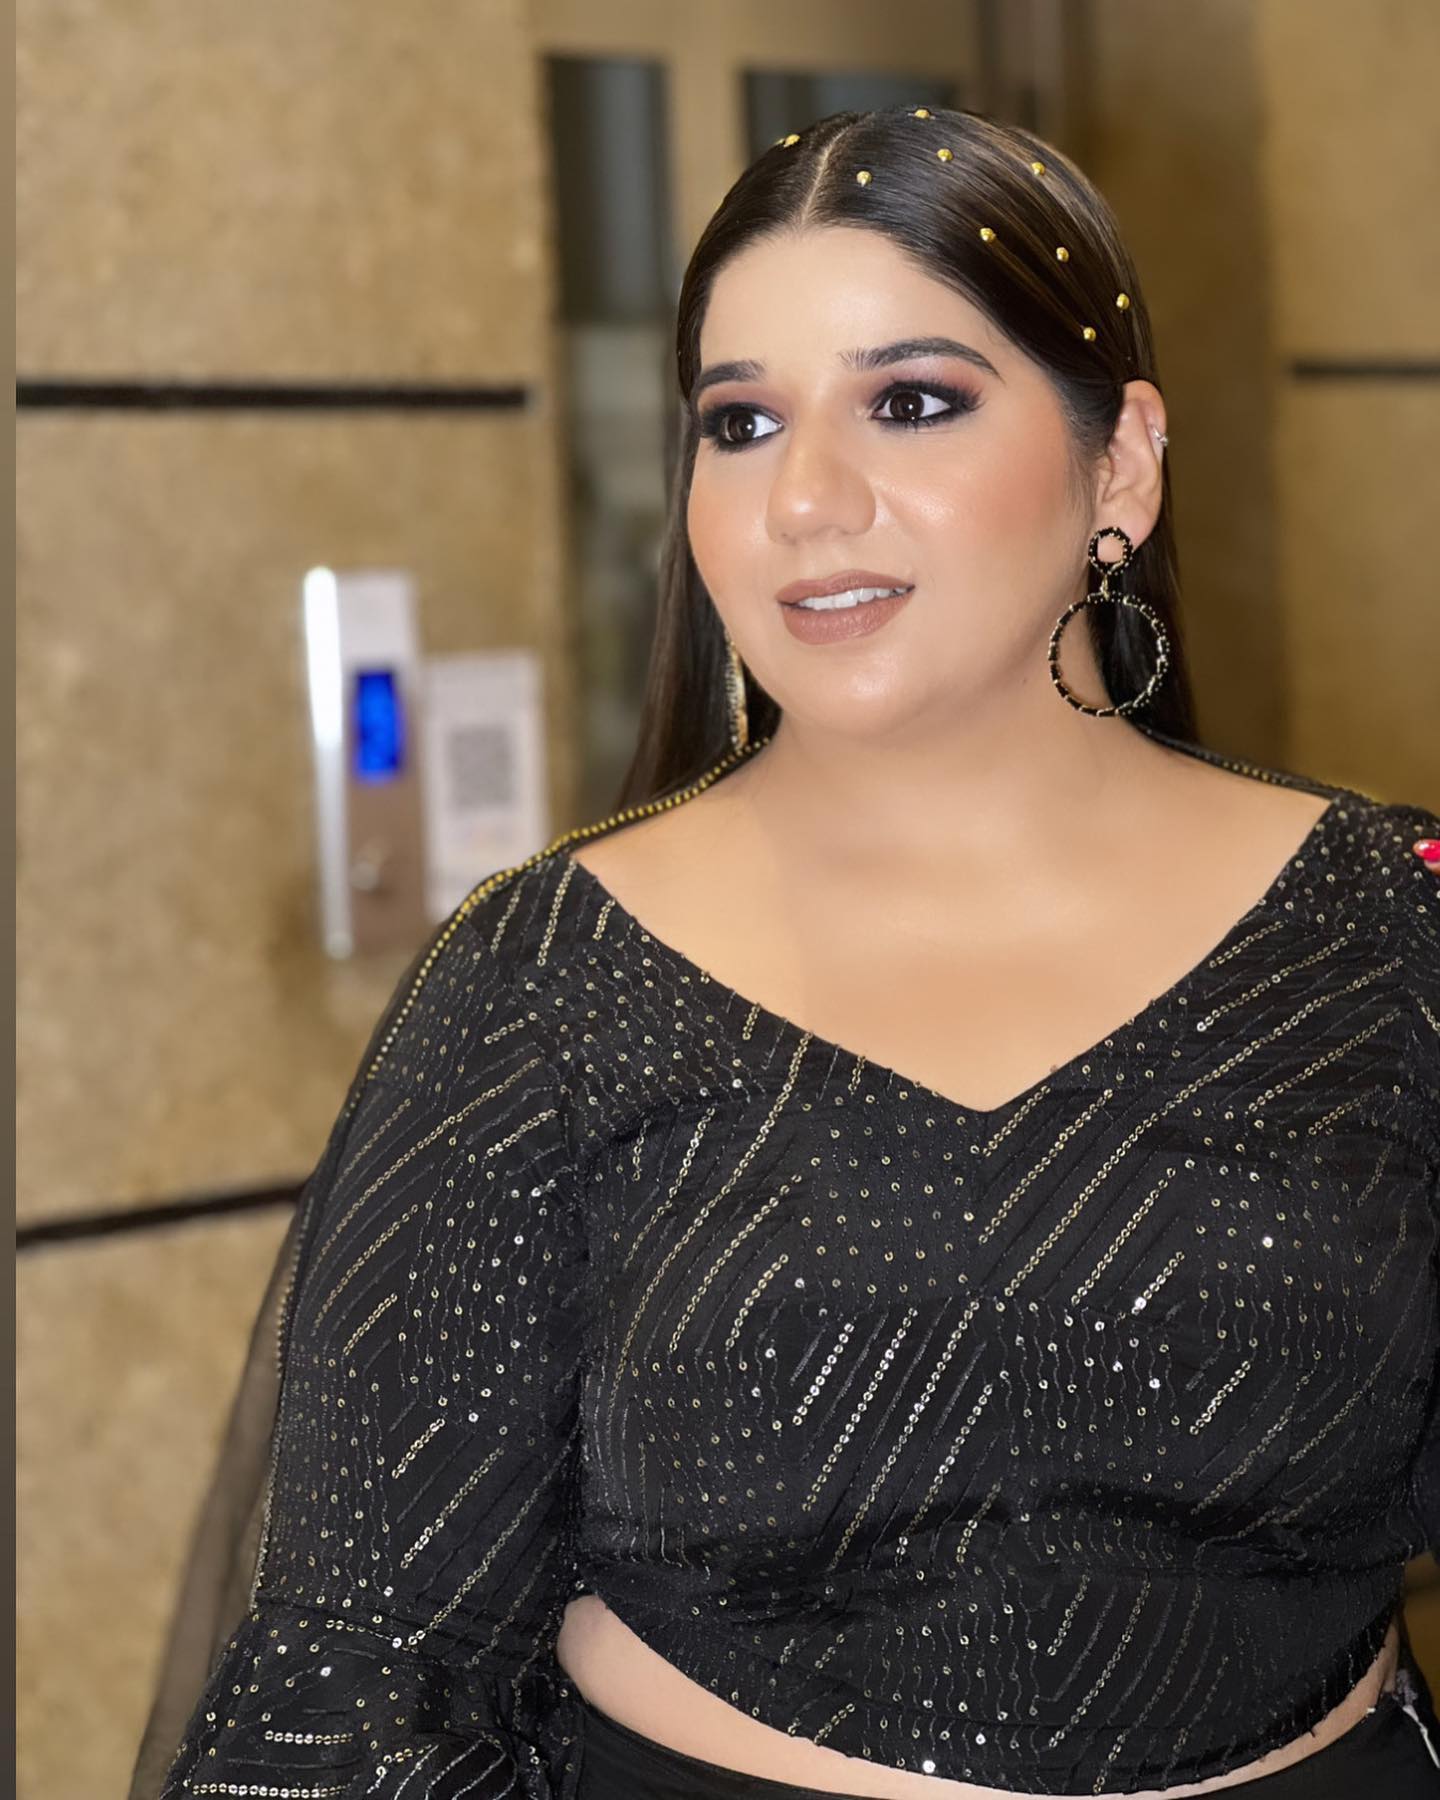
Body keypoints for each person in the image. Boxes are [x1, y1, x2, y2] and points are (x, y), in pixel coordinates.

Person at [130, 106, 1440, 1800]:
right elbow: (362, 1671)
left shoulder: (1389, 926)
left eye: (912, 401)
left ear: (1120, 462)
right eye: (740, 424)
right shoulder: (545, 983)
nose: (807, 498)